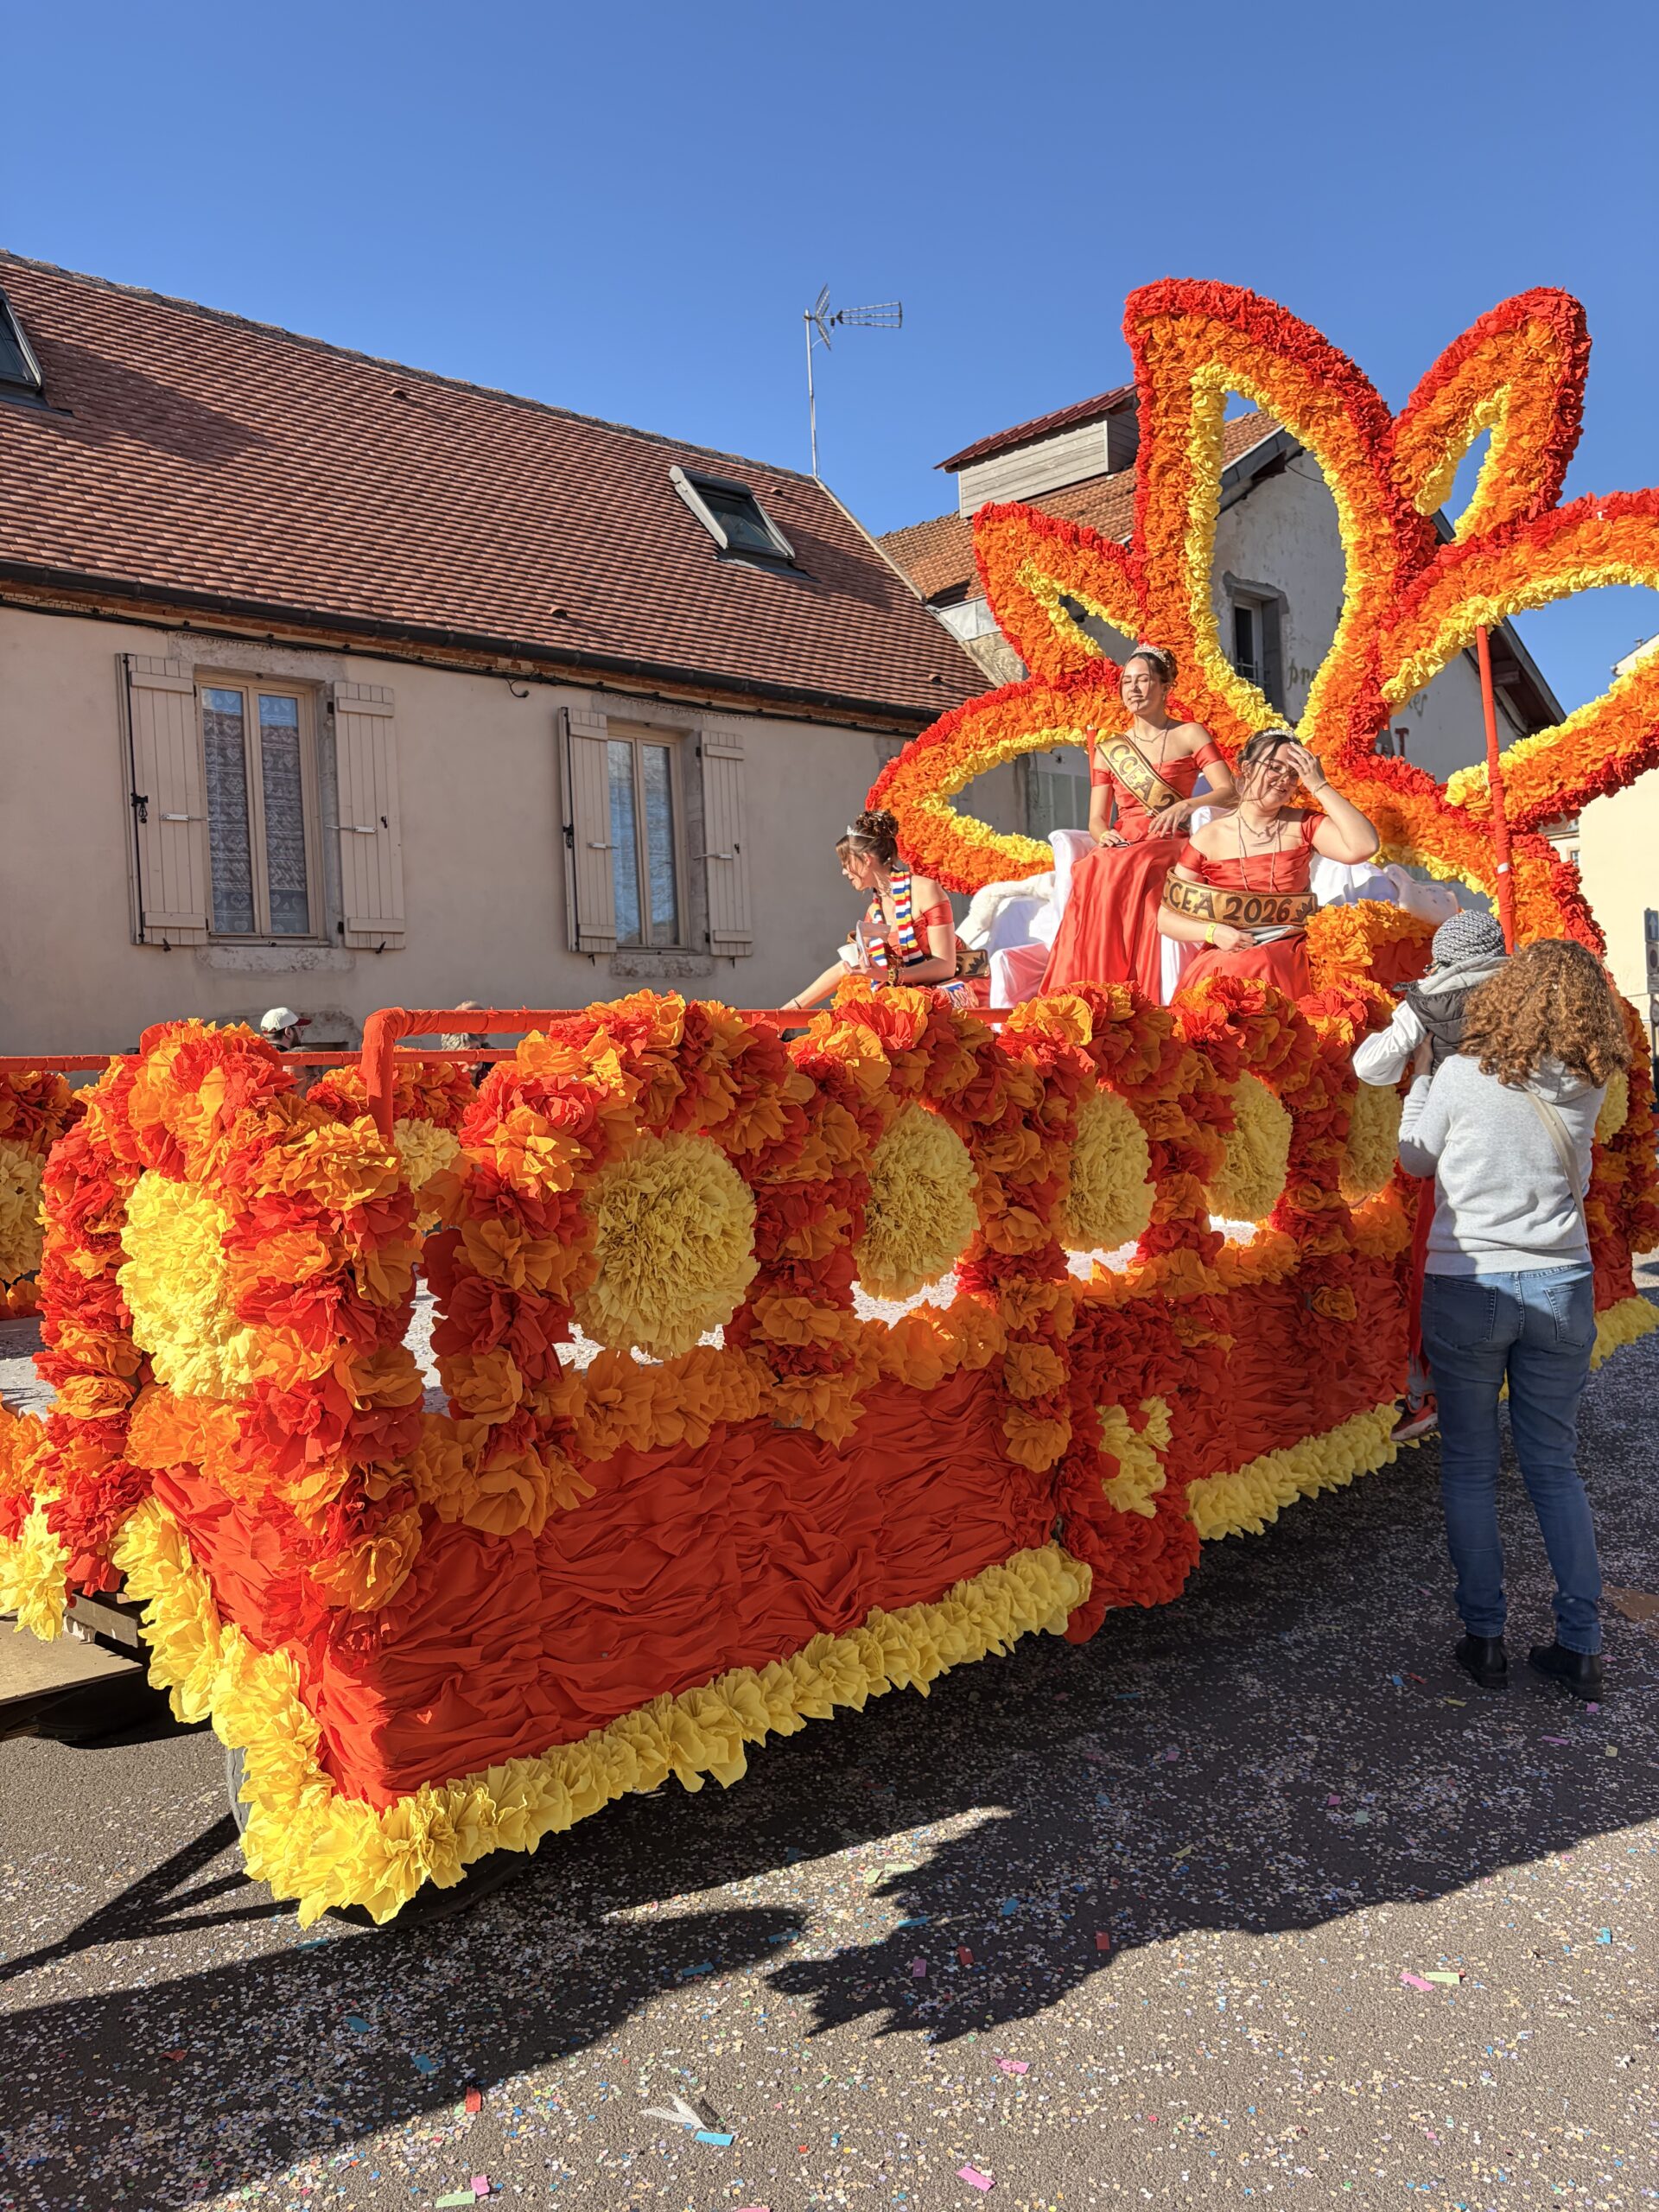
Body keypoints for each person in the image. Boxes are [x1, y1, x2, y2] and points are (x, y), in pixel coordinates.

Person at [1397, 938, 1629, 1699]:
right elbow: (1582, 1177)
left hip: (1468, 1281)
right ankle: (1582, 1646)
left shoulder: (1463, 1074)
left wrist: (1424, 1081)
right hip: (1560, 1280)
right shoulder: (1585, 1083)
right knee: (1553, 1468)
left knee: (1469, 1465)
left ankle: (1486, 1640)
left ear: (1505, 996)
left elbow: (1414, 1159)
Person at [1356, 909, 1512, 1444]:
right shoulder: (1529, 993)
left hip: (1453, 1153)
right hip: (1522, 1145)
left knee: (1438, 1268)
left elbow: (1370, 1067)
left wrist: (1420, 1065)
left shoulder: (1428, 998)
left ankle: (1428, 1394)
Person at [1039, 644, 1236, 1001]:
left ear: (1165, 687)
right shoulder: (1108, 749)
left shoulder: (1190, 733)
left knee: (1137, 864)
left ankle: (1135, 989)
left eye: (1144, 680)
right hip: (1125, 841)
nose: (1133, 688)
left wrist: (1188, 806)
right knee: (1094, 866)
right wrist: (1105, 836)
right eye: (1127, 681)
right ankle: (1091, 987)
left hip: (1172, 839)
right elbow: (1097, 820)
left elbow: (1229, 790)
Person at [1157, 728, 1378, 998]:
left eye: (1294, 774)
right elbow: (1166, 919)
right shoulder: (1209, 837)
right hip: (1229, 951)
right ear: (1247, 768)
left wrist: (1319, 785)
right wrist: (1214, 932)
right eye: (1274, 768)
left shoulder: (1304, 824)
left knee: (1257, 964)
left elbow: (1364, 846)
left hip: (1290, 952)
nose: (1284, 779)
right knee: (1227, 978)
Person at [783, 809, 967, 1011]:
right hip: (905, 1001)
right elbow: (847, 965)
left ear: (866, 859)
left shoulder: (925, 890)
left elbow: (945, 965)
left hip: (944, 997)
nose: (844, 871)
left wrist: (889, 976)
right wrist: (793, 1007)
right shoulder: (875, 910)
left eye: (846, 863)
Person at [440, 1000, 491, 1087]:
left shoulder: (492, 1063)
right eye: (476, 1024)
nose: (484, 1030)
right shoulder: (443, 1077)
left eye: (485, 1022)